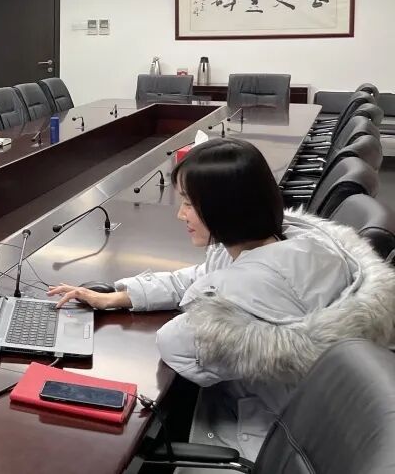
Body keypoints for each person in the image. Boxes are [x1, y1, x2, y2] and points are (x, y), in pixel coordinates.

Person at [48, 139, 395, 461]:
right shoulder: (288, 241)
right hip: (319, 419)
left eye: (188, 203)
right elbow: (200, 276)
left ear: (225, 207)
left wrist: (206, 297)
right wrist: (120, 296)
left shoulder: (253, 282)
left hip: (270, 436)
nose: (180, 214)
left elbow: (175, 343)